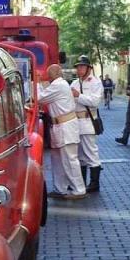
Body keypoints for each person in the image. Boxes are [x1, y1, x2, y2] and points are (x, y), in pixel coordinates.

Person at [37, 64, 86, 200]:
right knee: (57, 160)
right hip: (59, 126)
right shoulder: (59, 85)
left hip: (65, 126)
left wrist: (37, 82)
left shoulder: (58, 85)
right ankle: (60, 188)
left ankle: (79, 189)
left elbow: (40, 97)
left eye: (49, 72)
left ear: (54, 73)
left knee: (70, 159)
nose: (47, 75)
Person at [70, 56, 104, 192]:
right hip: (76, 123)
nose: (79, 69)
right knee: (80, 156)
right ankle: (81, 182)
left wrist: (78, 96)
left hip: (88, 122)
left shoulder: (95, 83)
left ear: (89, 68)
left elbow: (95, 102)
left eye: (82, 66)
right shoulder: (74, 83)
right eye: (78, 67)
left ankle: (94, 183)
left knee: (91, 154)